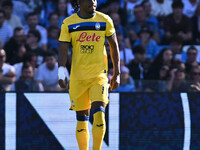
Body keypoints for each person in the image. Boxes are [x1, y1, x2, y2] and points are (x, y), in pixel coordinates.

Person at [57, 0, 120, 149]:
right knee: (82, 120)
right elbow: (63, 49)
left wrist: (117, 73)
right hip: (78, 78)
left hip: (99, 76)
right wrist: (61, 72)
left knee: (99, 113)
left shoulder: (105, 20)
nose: (92, 1)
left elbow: (114, 46)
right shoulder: (68, 23)